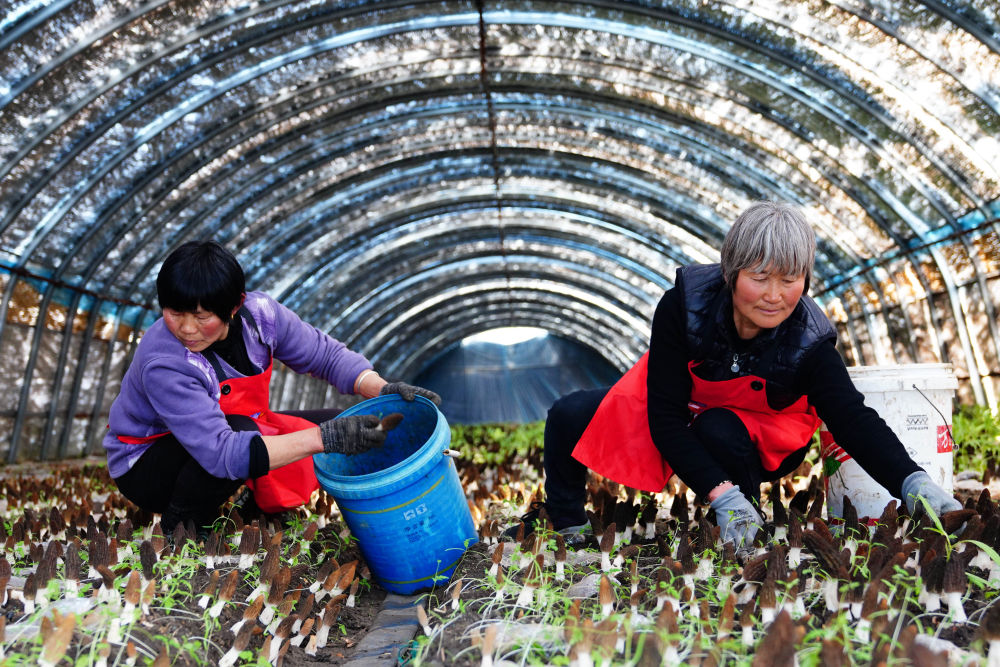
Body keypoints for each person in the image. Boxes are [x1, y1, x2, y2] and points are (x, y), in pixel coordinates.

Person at [511, 201, 960, 548]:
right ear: (731, 271)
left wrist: (912, 481)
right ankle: (569, 524)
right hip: (683, 409)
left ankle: (747, 520)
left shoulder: (810, 339)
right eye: (760, 277)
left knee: (718, 427)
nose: (774, 295)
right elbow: (664, 415)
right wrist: (717, 495)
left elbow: (852, 419)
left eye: (790, 279)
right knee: (570, 413)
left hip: (758, 434)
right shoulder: (684, 307)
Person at [103, 241, 440, 534]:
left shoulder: (261, 317)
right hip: (148, 465)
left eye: (202, 316)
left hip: (232, 429)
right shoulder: (164, 360)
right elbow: (221, 452)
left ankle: (258, 505)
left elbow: (325, 356)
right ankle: (183, 523)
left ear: (234, 306)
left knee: (344, 419)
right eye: (175, 313)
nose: (187, 328)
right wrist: (326, 438)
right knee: (257, 431)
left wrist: (380, 389)